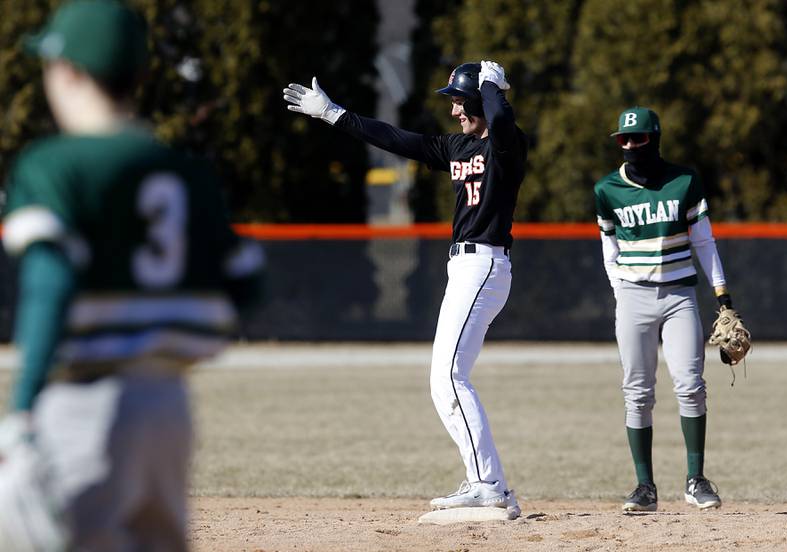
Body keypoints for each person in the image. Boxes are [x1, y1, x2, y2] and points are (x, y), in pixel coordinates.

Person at [0, 1, 263, 549]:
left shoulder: (53, 165)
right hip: (168, 404)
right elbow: (247, 280)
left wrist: (23, 406)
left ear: (66, 71)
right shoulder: (188, 173)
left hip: (83, 404)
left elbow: (50, 286)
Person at [283, 61, 527, 517]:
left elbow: (499, 120)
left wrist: (492, 87)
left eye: (459, 99)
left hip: (484, 264)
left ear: (481, 99)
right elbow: (399, 140)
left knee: (449, 379)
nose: (454, 109)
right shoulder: (457, 147)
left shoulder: (507, 144)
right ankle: (484, 481)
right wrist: (335, 113)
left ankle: (490, 486)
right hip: (465, 269)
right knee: (446, 381)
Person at [594, 106, 735, 512]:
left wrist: (722, 296)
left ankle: (696, 480)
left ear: (654, 139)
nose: (630, 145)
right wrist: (619, 291)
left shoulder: (684, 181)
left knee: (691, 385)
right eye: (623, 139)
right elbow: (609, 249)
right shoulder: (607, 189)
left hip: (678, 296)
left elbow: (704, 242)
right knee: (637, 394)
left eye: (637, 139)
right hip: (633, 295)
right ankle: (645, 487)